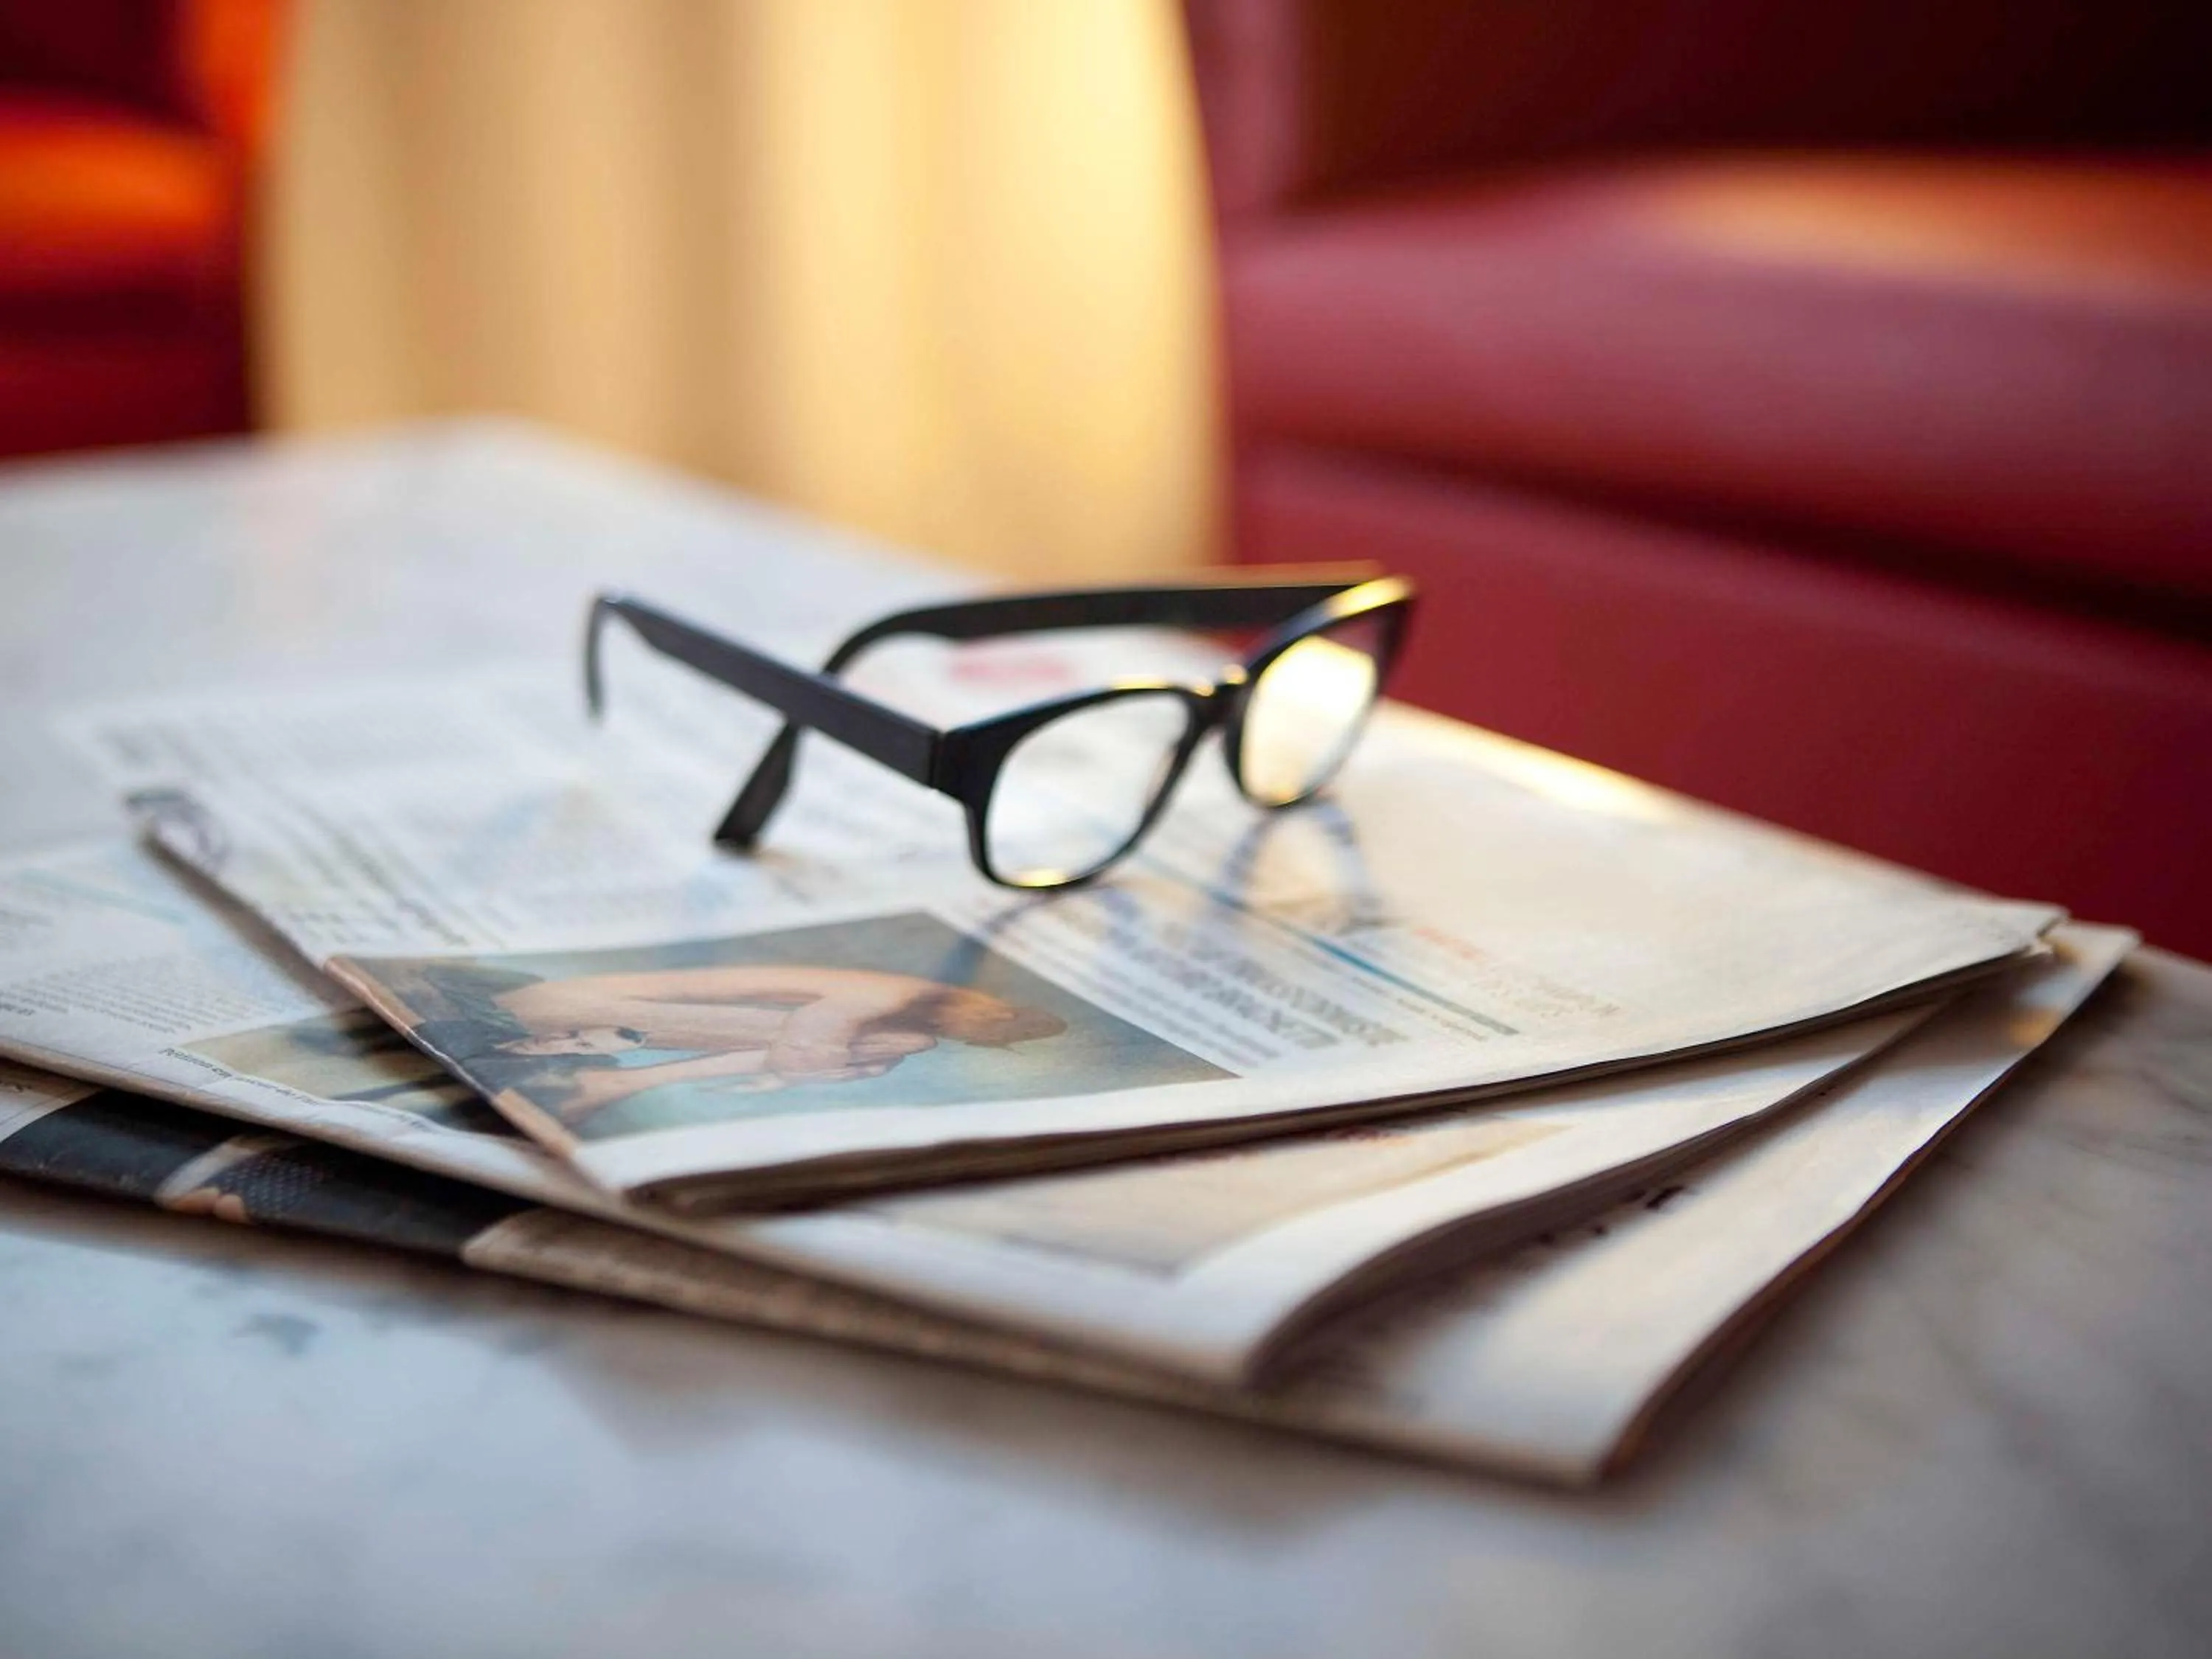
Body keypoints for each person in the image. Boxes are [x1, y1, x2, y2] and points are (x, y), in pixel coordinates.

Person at [391, 959, 1067, 1127]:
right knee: (899, 1042)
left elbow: (796, 1052)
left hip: (586, 1024)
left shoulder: (907, 1018)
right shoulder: (897, 996)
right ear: (997, 1009)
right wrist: (816, 1069)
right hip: (562, 1011)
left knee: (898, 1044)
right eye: (992, 1031)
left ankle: (614, 1081)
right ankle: (612, 1079)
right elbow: (806, 1044)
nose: (969, 1038)